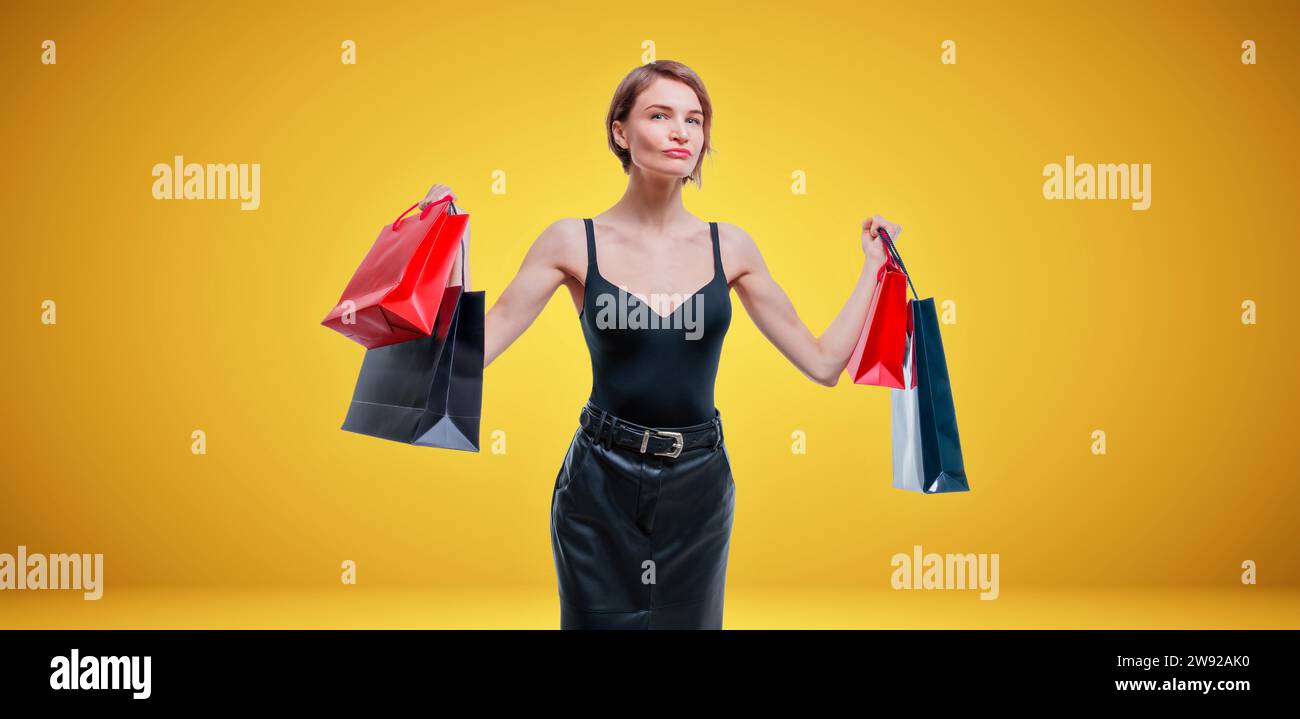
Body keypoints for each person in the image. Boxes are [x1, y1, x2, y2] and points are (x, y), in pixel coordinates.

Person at [419, 60, 899, 629]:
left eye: (694, 120)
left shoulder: (732, 247)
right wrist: (451, 251)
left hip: (698, 487)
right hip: (598, 485)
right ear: (620, 132)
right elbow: (468, 355)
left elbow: (822, 364)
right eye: (660, 115)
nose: (682, 132)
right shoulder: (572, 240)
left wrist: (872, 268)